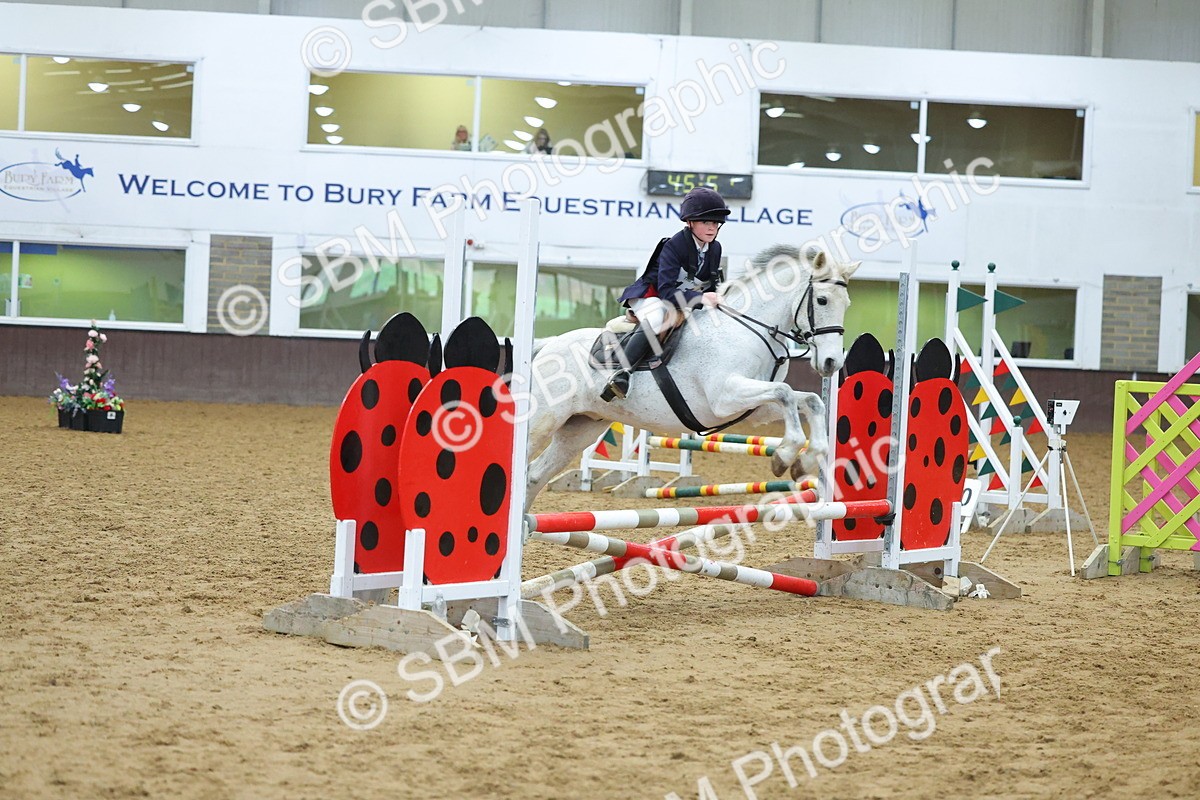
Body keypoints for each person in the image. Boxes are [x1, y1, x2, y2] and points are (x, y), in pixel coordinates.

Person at [601, 186, 730, 401]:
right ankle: (621, 374)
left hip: (681, 297)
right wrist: (701, 299)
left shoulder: (715, 248)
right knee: (658, 314)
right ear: (690, 223)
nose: (712, 228)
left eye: (716, 223)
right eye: (706, 222)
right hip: (653, 296)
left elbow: (709, 284)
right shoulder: (674, 245)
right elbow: (667, 292)